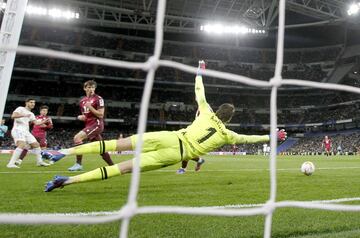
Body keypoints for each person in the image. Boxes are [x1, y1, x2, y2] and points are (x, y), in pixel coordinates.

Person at [43, 61, 287, 192]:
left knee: (118, 144)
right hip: (176, 153)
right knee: (125, 167)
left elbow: (199, 91)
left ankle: (60, 152)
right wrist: (272, 136)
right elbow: (251, 139)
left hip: (169, 136)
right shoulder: (229, 135)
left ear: (218, 110)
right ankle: (66, 181)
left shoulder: (205, 112)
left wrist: (200, 72)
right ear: (230, 119)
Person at [67, 80, 114, 171]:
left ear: (95, 88)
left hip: (97, 124)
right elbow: (85, 116)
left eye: (93, 87)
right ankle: (113, 167)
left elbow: (101, 115)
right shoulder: (82, 101)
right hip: (89, 125)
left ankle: (78, 164)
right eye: (89, 87)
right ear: (85, 88)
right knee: (101, 149)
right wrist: (80, 117)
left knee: (77, 138)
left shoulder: (98, 99)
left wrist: (90, 107)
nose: (91, 89)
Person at [6, 99, 50, 168]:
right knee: (22, 144)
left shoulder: (31, 114)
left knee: (36, 144)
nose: (33, 104)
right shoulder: (20, 108)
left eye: (34, 103)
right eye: (31, 102)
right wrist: (24, 115)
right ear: (26, 103)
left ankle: (39, 162)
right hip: (18, 129)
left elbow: (36, 123)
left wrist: (44, 121)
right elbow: (13, 116)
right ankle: (11, 164)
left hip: (26, 131)